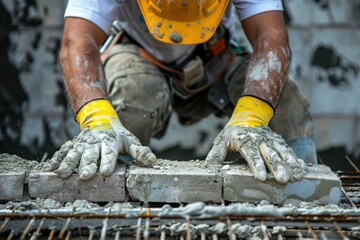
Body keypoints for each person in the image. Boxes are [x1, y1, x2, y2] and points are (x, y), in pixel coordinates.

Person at [42, 0, 317, 184]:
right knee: (135, 95)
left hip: (214, 53)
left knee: (286, 101)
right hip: (138, 53)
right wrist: (98, 120)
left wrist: (252, 118)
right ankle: (107, 193)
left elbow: (271, 37)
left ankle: (303, 188)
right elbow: (76, 42)